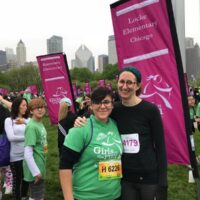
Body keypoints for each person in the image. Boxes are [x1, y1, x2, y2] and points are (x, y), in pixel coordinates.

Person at [75, 66, 167, 200]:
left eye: (129, 82)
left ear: (138, 85)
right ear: (117, 83)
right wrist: (79, 119)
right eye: (122, 81)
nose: (125, 86)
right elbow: (92, 115)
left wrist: (163, 182)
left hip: (148, 177)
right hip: (124, 177)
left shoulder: (150, 110)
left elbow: (160, 147)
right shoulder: (114, 109)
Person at [59, 87, 123, 200]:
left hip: (115, 195)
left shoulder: (117, 125)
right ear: (91, 105)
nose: (102, 106)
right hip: (86, 196)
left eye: (106, 102)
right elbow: (65, 166)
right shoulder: (81, 128)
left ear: (112, 104)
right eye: (98, 102)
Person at [4, 97, 29, 200]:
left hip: (28, 154)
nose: (25, 108)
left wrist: (25, 122)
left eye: (26, 105)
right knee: (18, 179)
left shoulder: (28, 120)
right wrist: (28, 138)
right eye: (23, 105)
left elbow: (36, 130)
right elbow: (11, 137)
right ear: (17, 106)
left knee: (27, 179)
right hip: (16, 156)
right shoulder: (9, 120)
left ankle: (23, 196)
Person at [23, 98, 47, 200]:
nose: (40, 110)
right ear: (31, 111)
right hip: (35, 168)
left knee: (38, 194)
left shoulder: (39, 123)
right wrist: (36, 172)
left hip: (40, 163)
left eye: (41, 107)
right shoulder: (31, 127)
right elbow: (27, 153)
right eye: (37, 108)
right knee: (36, 196)